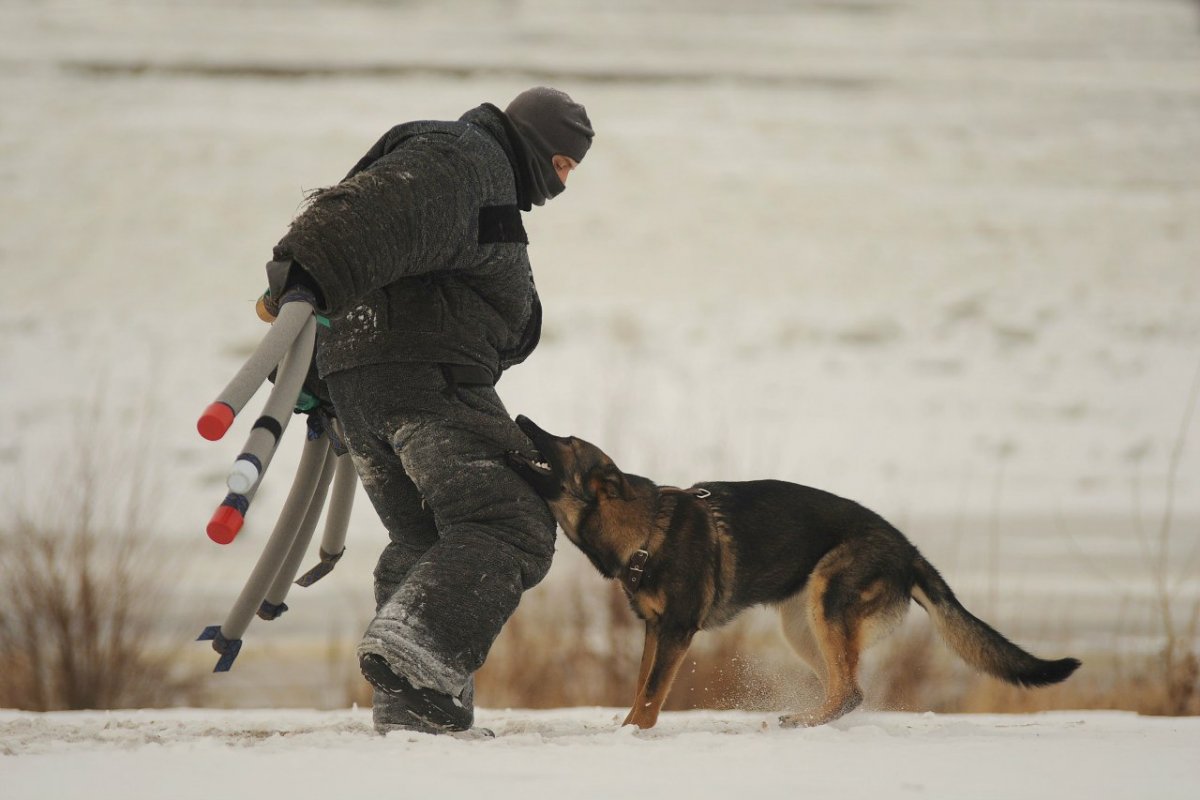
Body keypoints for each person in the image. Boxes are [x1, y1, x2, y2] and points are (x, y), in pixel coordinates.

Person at [261, 87, 594, 735]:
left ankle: (415, 714)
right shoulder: (467, 156)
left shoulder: (484, 179)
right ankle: (419, 653)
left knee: (428, 536)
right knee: (510, 520)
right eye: (562, 163)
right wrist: (307, 268)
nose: (563, 182)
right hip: (427, 379)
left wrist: (310, 366)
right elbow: (386, 206)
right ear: (533, 137)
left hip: (361, 383)